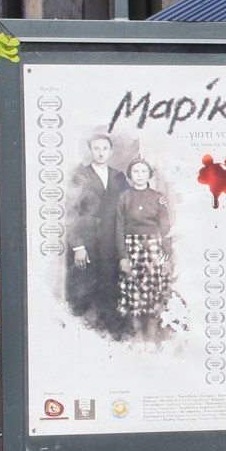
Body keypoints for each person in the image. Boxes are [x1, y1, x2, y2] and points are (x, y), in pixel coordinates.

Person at [65, 133, 128, 331]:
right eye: (96, 148)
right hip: (86, 244)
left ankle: (109, 339)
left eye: (104, 149)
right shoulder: (79, 175)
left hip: (110, 244)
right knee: (83, 294)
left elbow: (129, 204)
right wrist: (78, 246)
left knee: (110, 293)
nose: (100, 153)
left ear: (110, 151)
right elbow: (70, 212)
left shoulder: (118, 177)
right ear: (90, 150)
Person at [114, 161, 172, 341]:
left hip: (154, 248)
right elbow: (119, 227)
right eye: (135, 171)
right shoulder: (124, 197)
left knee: (153, 295)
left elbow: (165, 227)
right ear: (130, 175)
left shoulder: (157, 197)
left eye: (143, 171)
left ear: (149, 174)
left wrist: (167, 256)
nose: (139, 174)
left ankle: (151, 341)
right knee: (134, 297)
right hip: (132, 248)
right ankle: (138, 340)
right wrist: (123, 257)